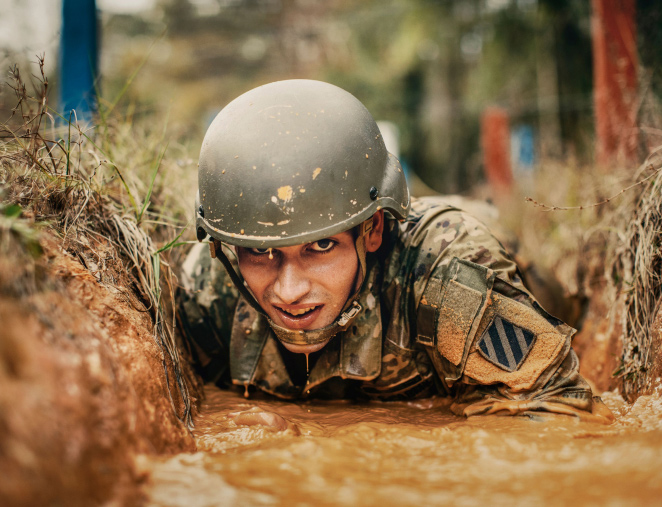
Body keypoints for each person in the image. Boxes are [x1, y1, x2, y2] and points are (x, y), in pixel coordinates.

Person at [178, 79, 612, 422]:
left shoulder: (447, 275)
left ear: (372, 231)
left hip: (512, 262)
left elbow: (558, 409)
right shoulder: (209, 291)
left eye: (321, 246)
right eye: (261, 252)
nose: (288, 291)